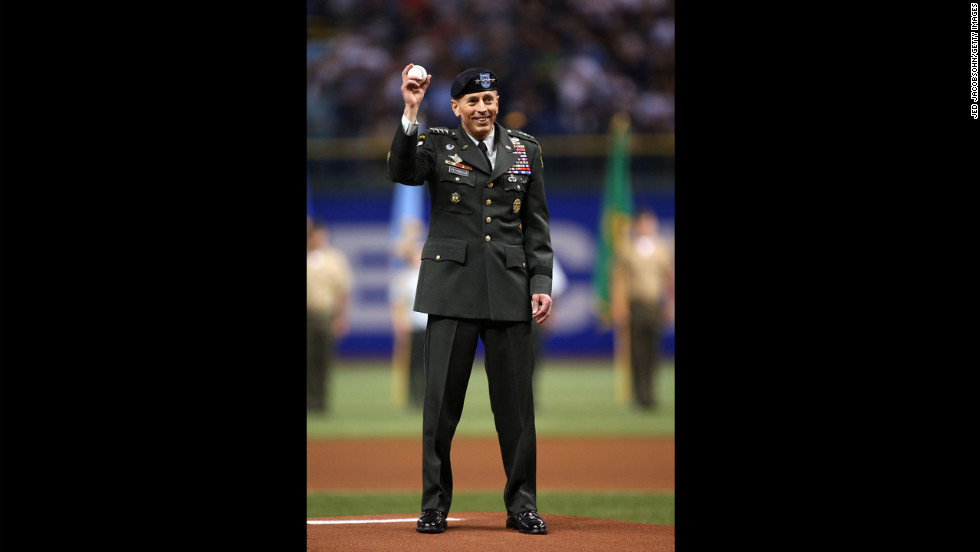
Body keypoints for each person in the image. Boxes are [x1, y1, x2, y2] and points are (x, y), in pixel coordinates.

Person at [387, 65, 554, 535]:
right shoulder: (437, 144)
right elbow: (400, 172)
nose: (483, 108)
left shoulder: (526, 150)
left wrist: (540, 283)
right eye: (473, 102)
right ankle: (434, 506)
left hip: (509, 289)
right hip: (452, 289)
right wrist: (410, 110)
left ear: (496, 103)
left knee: (516, 412)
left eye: (490, 100)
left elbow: (537, 228)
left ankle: (522, 505)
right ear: (457, 107)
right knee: (440, 407)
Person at [610, 208, 674, 410]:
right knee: (637, 352)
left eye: (650, 223)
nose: (647, 227)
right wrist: (619, 306)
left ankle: (651, 394)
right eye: (643, 223)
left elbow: (668, 279)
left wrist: (670, 305)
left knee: (653, 351)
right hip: (635, 305)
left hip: (654, 304)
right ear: (637, 225)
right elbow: (619, 279)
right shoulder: (627, 249)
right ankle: (639, 396)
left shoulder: (661, 248)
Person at [307, 218, 353, 413]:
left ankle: (322, 402)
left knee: (324, 360)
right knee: (308, 360)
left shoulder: (335, 259)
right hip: (308, 315)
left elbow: (342, 291)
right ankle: (310, 400)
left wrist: (341, 317)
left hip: (326, 315)